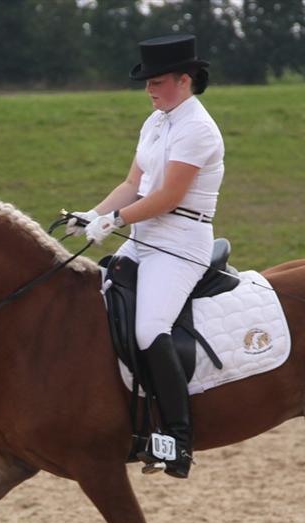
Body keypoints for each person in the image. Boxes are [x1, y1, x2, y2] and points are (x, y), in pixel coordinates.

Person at [69, 34, 224, 479]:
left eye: (157, 81)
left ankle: (177, 438)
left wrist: (113, 220)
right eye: (147, 82)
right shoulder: (156, 122)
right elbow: (132, 183)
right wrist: (92, 215)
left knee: (148, 328)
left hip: (179, 244)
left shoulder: (198, 129)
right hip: (144, 237)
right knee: (93, 303)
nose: (149, 89)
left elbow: (171, 196)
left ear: (184, 79)